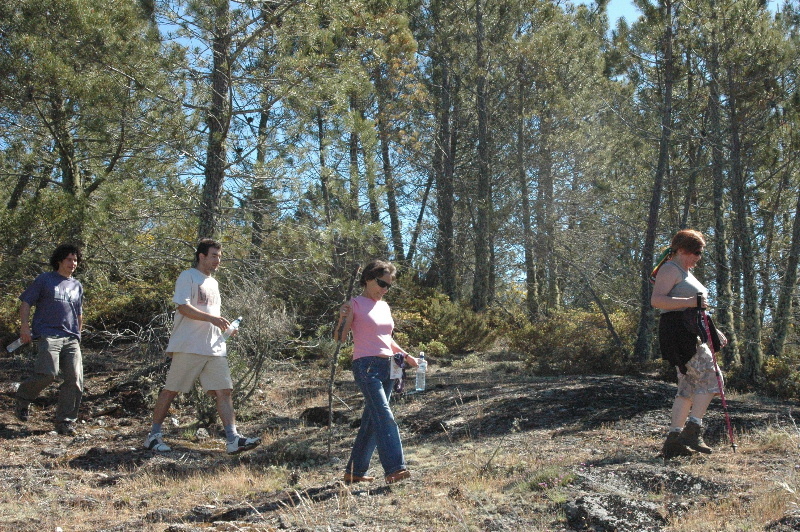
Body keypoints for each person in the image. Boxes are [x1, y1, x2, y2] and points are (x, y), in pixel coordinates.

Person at [143, 238, 260, 455]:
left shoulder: (214, 284)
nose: (218, 260)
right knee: (171, 391)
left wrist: (225, 328)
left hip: (214, 347)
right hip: (189, 345)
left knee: (224, 391)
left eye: (220, 256)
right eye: (214, 255)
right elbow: (183, 307)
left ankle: (233, 439)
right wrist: (212, 319)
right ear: (202, 256)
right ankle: (153, 436)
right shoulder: (188, 276)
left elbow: (212, 316)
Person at [335, 260, 419, 485]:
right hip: (366, 366)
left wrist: (408, 357)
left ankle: (355, 471)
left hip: (389, 365)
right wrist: (343, 318)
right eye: (381, 283)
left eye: (388, 285)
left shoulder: (384, 306)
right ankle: (395, 468)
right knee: (384, 415)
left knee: (373, 419)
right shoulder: (354, 304)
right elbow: (340, 338)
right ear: (368, 279)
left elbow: (386, 338)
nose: (384, 289)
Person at [652, 229, 723, 459]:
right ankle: (693, 429)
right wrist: (691, 300)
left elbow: (697, 307)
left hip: (690, 329)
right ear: (682, 249)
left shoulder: (685, 271)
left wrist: (714, 331)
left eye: (700, 253)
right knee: (713, 377)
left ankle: (674, 440)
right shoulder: (670, 268)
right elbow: (657, 300)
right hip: (679, 331)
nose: (698, 257)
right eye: (696, 252)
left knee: (688, 385)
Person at [14, 244, 84, 436]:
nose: (73, 263)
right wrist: (25, 326)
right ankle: (22, 397)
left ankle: (66, 421)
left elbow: (78, 312)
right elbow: (26, 302)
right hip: (48, 334)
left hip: (71, 337)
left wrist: (78, 333)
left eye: (75, 260)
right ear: (59, 261)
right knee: (48, 373)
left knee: (75, 379)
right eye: (69, 259)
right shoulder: (45, 280)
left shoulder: (77, 285)